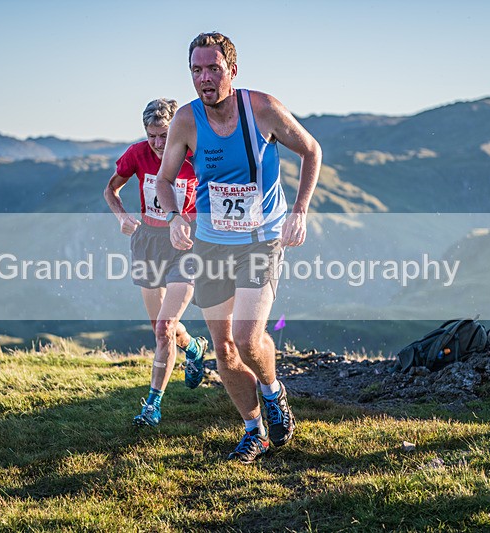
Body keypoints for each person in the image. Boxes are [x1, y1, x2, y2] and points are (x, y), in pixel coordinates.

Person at [155, 33, 322, 462]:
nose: (204, 79)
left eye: (213, 68)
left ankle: (272, 390)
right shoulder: (187, 121)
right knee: (224, 347)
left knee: (248, 338)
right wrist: (175, 218)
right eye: (196, 70)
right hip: (211, 243)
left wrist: (299, 210)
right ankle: (255, 431)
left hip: (260, 239)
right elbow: (164, 180)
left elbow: (311, 150)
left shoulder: (262, 108)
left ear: (232, 69)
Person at [104, 98, 209, 428]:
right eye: (152, 136)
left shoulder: (196, 154)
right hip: (147, 242)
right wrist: (121, 217)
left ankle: (152, 406)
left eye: (164, 135)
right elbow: (111, 189)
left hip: (185, 244)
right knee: (159, 327)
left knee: (164, 327)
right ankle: (193, 348)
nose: (159, 144)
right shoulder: (137, 154)